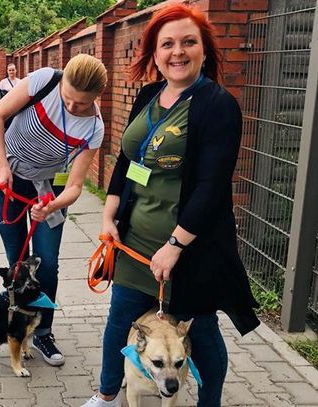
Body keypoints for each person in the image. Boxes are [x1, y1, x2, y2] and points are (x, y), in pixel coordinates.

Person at [81, 4, 259, 406]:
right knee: (120, 324)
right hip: (134, 242)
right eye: (167, 44)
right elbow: (128, 159)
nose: (178, 52)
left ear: (203, 49)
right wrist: (109, 214)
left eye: (188, 42)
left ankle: (208, 401)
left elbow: (212, 188)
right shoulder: (148, 95)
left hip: (189, 249)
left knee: (202, 334)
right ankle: (108, 395)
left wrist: (175, 246)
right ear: (155, 53)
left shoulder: (218, 106)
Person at [0, 54, 107, 367]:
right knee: (18, 261)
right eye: (67, 99)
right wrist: (1, 165)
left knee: (48, 264)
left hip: (48, 190)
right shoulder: (45, 80)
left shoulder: (94, 129)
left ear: (97, 99)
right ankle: (18, 325)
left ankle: (43, 331)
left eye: (81, 105)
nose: (71, 108)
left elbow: (75, 186)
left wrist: (53, 205)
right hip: (10, 178)